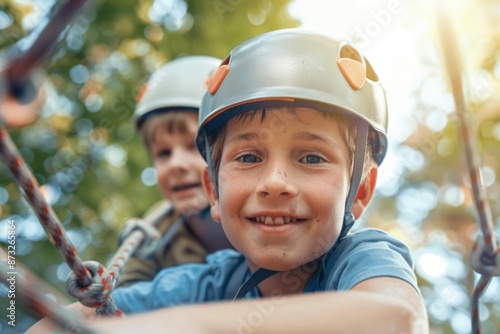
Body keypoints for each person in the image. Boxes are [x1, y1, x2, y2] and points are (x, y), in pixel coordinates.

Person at [31, 29, 428, 333]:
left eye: (311, 157)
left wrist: (180, 327)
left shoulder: (361, 257)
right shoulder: (208, 280)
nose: (275, 183)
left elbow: (394, 318)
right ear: (213, 192)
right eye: (249, 157)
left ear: (359, 193)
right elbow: (59, 322)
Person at [116, 55, 233, 287]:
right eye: (163, 153)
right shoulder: (153, 230)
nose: (176, 165)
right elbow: (123, 291)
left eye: (193, 146)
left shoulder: (262, 211)